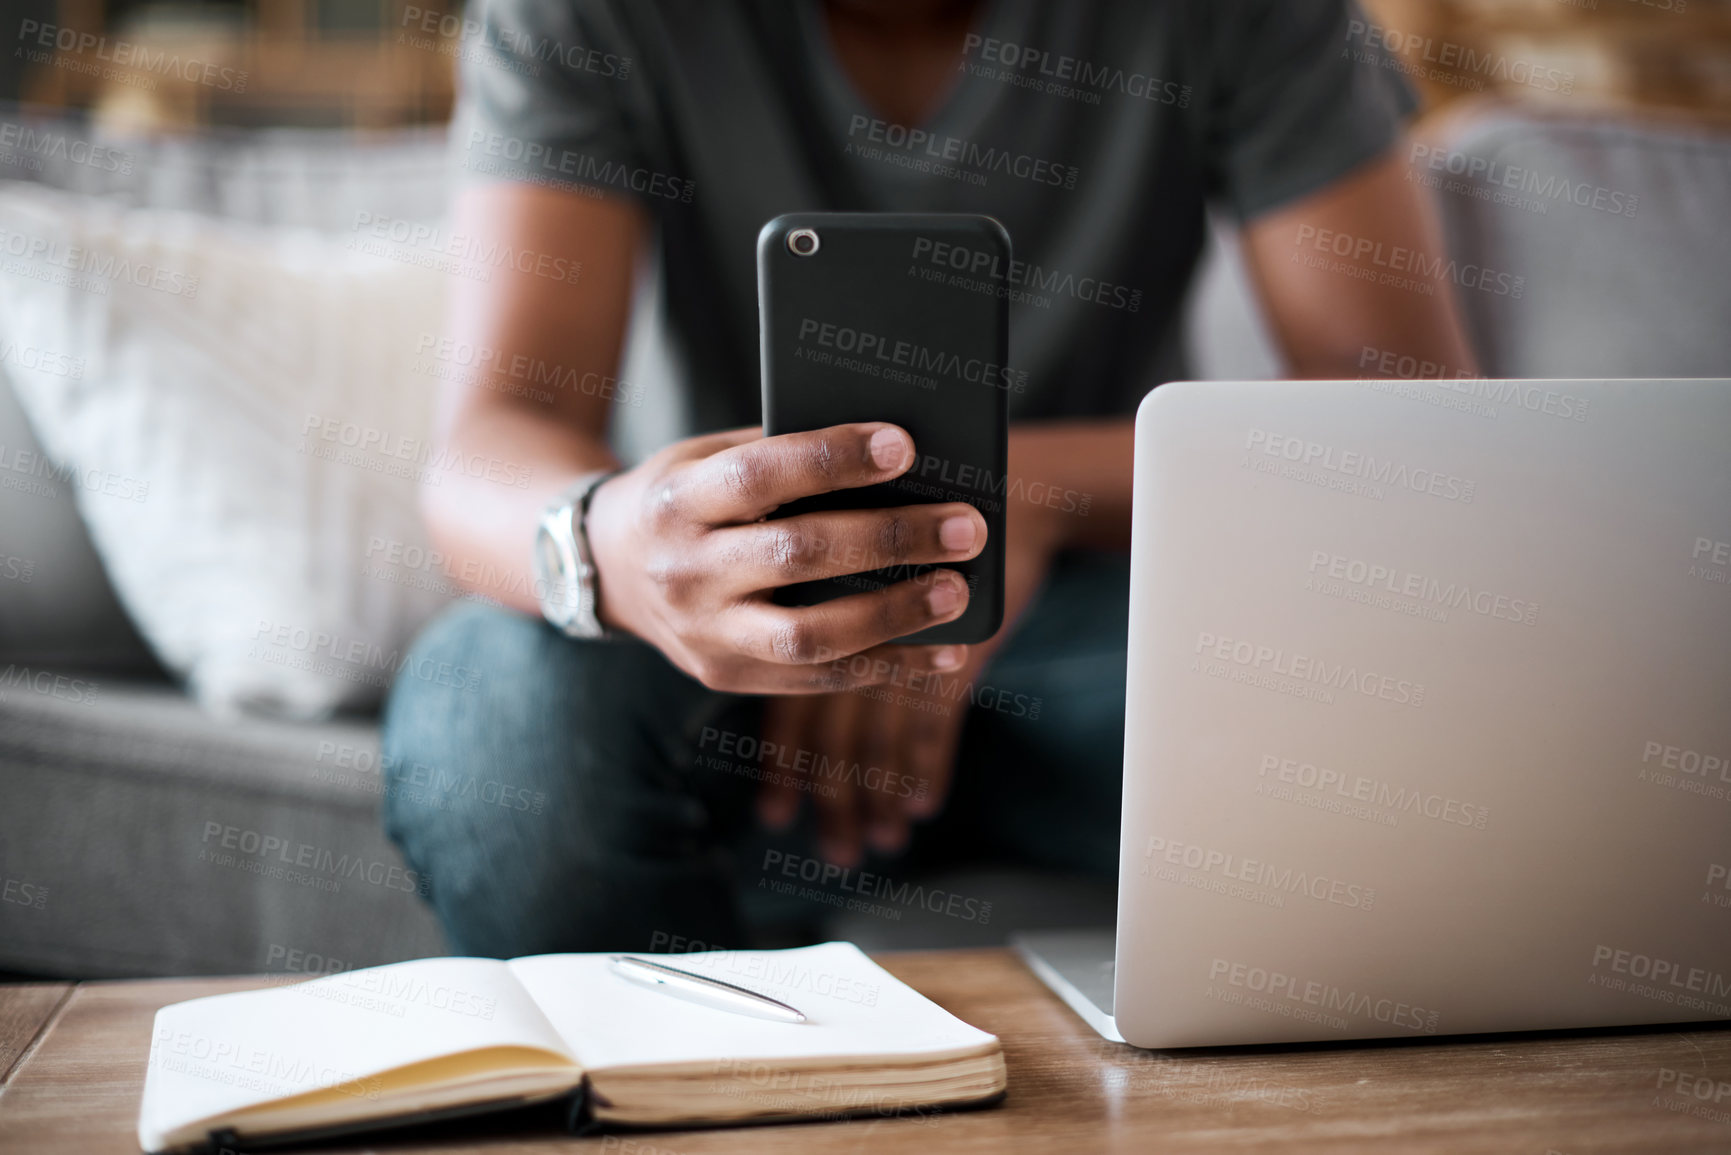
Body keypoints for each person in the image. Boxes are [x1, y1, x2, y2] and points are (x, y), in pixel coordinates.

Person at [381, 0, 1477, 956]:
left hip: (1110, 625)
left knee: (1419, 725)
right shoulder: (582, 13)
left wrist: (1019, 498)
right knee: (493, 726)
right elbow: (493, 440)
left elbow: (1404, 424)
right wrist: (619, 545)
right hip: (732, 631)